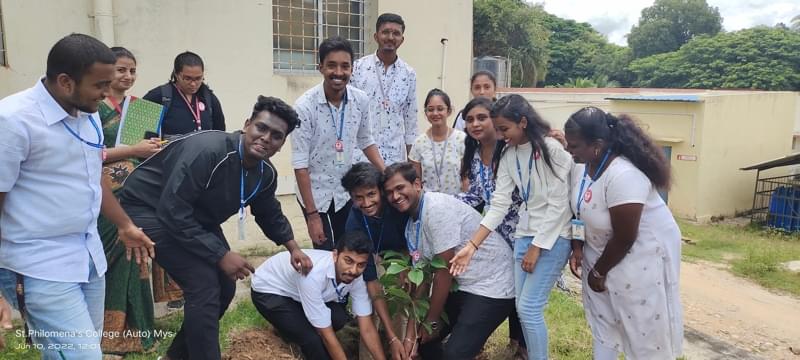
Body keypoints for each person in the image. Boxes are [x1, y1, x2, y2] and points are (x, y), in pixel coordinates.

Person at [118, 96, 312, 360]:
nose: (266, 138)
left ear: (281, 145)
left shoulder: (265, 174)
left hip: (191, 217)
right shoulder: (207, 150)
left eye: (276, 136)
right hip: (148, 210)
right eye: (261, 128)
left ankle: (176, 357)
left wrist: (293, 248)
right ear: (246, 125)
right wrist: (220, 254)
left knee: (225, 286)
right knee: (204, 284)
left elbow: (269, 212)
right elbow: (172, 210)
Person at [0, 33, 154, 359]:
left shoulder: (89, 114)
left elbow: (92, 178)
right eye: (100, 85)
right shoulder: (13, 121)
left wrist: (124, 226)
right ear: (66, 82)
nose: (106, 92)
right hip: (39, 266)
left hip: (88, 258)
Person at [451, 94, 574, 360]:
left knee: (529, 309)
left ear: (523, 122)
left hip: (553, 237)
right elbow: (498, 205)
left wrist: (537, 248)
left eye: (504, 129)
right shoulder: (509, 154)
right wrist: (472, 246)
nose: (500, 135)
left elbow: (559, 205)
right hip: (523, 235)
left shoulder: (552, 150)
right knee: (521, 306)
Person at [563, 107, 683, 360]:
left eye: (574, 145)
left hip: (637, 259)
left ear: (596, 145)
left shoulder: (624, 176)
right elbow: (579, 209)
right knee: (603, 324)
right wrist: (578, 246)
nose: (568, 150)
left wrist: (598, 271)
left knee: (642, 330)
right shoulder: (583, 166)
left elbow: (625, 236)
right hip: (600, 254)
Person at [383, 163, 515, 360]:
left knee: (454, 354)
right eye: (389, 192)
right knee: (423, 344)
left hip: (492, 285)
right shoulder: (412, 225)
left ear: (417, 184)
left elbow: (442, 272)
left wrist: (433, 322)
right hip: (462, 286)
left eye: (400, 188)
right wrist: (411, 335)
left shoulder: (436, 209)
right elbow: (423, 279)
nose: (395, 196)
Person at [292, 36, 385, 251]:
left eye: (345, 66)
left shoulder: (360, 100)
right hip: (315, 194)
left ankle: (349, 285)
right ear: (321, 67)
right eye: (331, 65)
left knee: (350, 250)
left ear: (352, 69)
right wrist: (312, 215)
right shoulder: (304, 107)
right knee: (325, 253)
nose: (339, 72)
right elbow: (300, 164)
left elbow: (366, 139)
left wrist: (386, 172)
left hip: (345, 192)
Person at [97, 46, 161, 354]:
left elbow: (143, 153)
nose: (128, 76)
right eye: (121, 69)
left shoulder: (141, 108)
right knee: (110, 264)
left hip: (136, 194)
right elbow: (91, 154)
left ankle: (138, 331)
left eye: (132, 70)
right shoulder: (92, 107)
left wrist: (152, 149)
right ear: (108, 70)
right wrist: (134, 150)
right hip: (103, 197)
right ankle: (108, 332)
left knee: (135, 260)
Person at [454, 96, 527, 358]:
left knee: (523, 294)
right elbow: (474, 196)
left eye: (481, 118)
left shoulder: (510, 149)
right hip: (494, 233)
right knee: (506, 288)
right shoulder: (472, 153)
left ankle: (522, 347)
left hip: (521, 231)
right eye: (470, 119)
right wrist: (442, 203)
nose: (475, 124)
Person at [251, 231, 387, 360]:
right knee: (312, 341)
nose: (353, 270)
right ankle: (288, 331)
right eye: (348, 261)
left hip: (297, 292)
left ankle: (294, 327)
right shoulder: (312, 274)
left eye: (361, 265)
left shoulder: (358, 277)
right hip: (269, 290)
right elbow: (326, 334)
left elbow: (367, 328)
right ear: (335, 255)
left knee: (339, 318)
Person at [342, 162, 409, 360]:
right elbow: (371, 280)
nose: (366, 203)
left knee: (400, 302)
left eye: (371, 194)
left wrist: (406, 266)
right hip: (371, 259)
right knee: (369, 308)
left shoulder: (397, 207)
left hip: (400, 255)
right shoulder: (354, 224)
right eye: (358, 198)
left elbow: (412, 243)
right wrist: (390, 337)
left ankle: (403, 352)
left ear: (380, 190)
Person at [351, 13, 418, 165]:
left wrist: (412, 163)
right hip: (361, 156)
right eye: (385, 32)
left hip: (394, 157)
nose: (390, 37)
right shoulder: (358, 68)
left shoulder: (408, 74)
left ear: (402, 39)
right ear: (376, 36)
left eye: (396, 33)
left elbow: (411, 121)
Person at [143, 51, 225, 137]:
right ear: (176, 74)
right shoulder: (158, 96)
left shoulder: (209, 98)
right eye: (187, 78)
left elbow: (220, 135)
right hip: (170, 150)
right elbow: (138, 136)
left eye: (198, 78)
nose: (193, 84)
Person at [408, 89, 466, 195]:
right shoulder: (419, 143)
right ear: (425, 112)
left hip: (456, 202)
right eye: (430, 109)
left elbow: (466, 177)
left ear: (449, 111)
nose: (435, 113)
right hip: (429, 203)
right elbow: (416, 182)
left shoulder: (461, 139)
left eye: (440, 109)